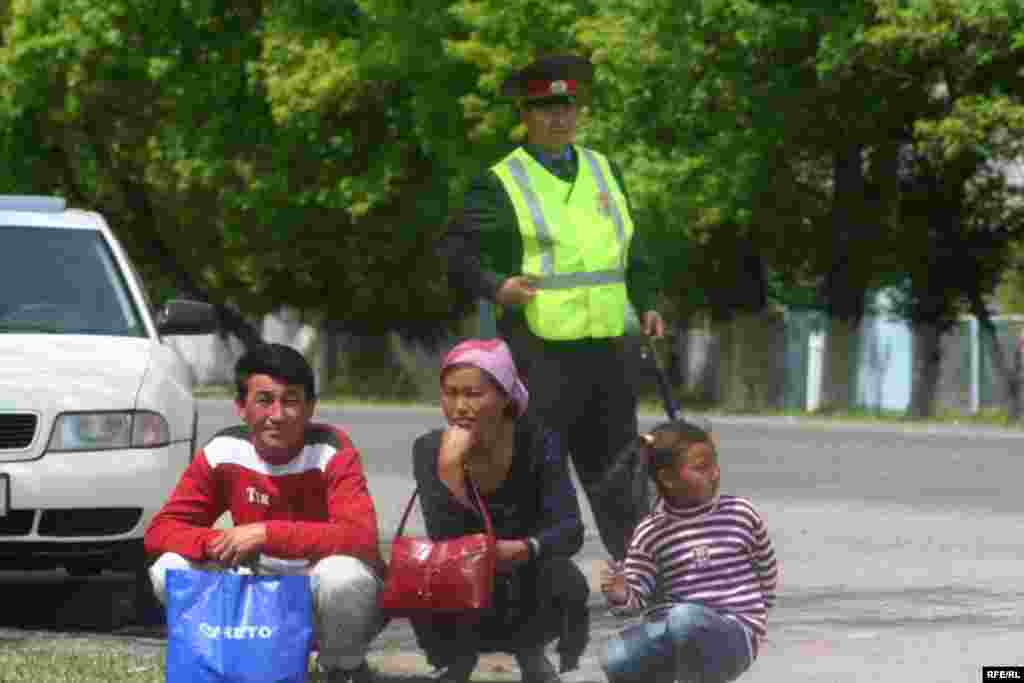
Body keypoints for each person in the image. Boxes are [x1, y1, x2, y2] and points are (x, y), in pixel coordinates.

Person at [441, 52, 666, 561]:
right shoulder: (501, 180)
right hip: (539, 350)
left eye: (568, 107)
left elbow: (631, 247)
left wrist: (648, 301)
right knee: (540, 464)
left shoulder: (604, 170)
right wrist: (496, 286)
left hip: (609, 345)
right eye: (546, 109)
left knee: (619, 467)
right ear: (525, 115)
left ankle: (639, 574)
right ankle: (537, 576)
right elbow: (456, 252)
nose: (559, 118)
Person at [144, 343, 384, 683]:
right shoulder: (223, 451)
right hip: (253, 590)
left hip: (316, 593)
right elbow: (161, 531)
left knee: (345, 576)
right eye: (264, 400)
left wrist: (264, 534)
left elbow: (361, 538)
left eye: (291, 401)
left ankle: (343, 667)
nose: (277, 414)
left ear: (310, 407)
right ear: (241, 407)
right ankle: (218, 661)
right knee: (169, 567)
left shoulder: (332, 451)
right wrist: (220, 542)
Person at [409, 338, 590, 683]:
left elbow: (570, 529)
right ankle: (455, 660)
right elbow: (445, 538)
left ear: (505, 396)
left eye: (473, 394)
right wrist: (450, 469)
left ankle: (531, 652)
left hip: (526, 576)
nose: (460, 406)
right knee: (422, 574)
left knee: (566, 580)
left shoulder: (540, 442)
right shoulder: (430, 449)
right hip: (464, 579)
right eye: (450, 393)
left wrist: (526, 548)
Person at [599, 420, 778, 683]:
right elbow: (635, 598)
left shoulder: (740, 513)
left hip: (736, 633)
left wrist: (757, 618)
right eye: (702, 468)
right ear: (667, 479)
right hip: (679, 630)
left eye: (714, 464)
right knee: (616, 657)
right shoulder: (652, 530)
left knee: (684, 618)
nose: (714, 474)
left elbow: (766, 570)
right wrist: (620, 593)